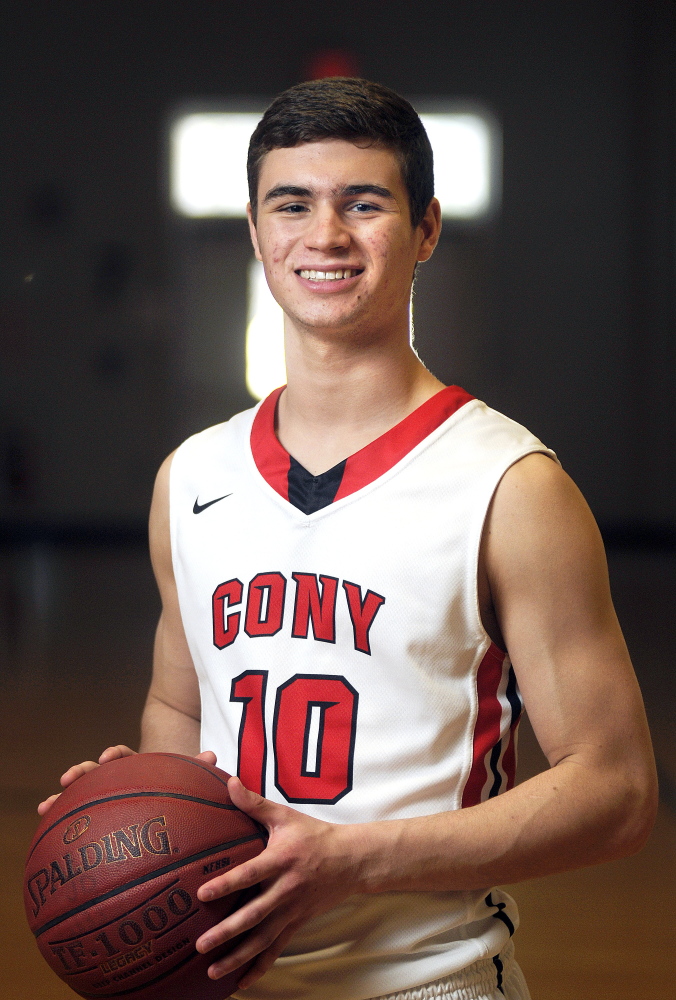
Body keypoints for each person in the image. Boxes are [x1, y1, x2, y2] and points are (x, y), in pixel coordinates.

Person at [39, 78, 658, 1000]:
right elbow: (177, 712)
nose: (324, 235)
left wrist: (351, 860)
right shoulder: (193, 478)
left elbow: (616, 791)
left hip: (425, 981)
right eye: (292, 204)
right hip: (228, 978)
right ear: (256, 231)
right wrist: (139, 799)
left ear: (427, 229)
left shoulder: (512, 487)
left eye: (363, 203)